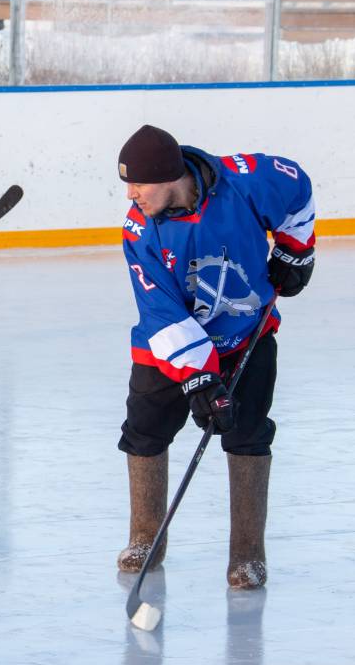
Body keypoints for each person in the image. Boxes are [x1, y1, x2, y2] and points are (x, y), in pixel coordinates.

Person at [114, 125, 315, 590]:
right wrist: (200, 379)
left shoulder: (243, 181)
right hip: (167, 347)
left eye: (139, 184)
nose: (131, 194)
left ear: (169, 176)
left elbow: (297, 186)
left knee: (247, 435)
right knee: (144, 432)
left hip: (247, 333)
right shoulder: (139, 230)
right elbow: (161, 312)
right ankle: (146, 539)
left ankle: (248, 556)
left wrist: (296, 251)